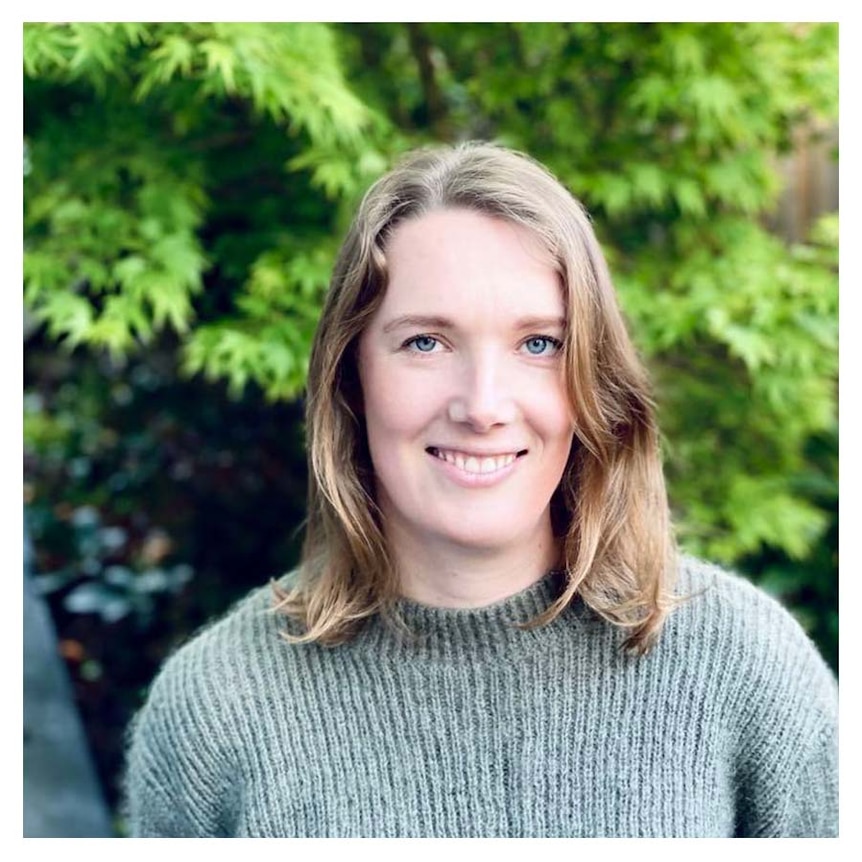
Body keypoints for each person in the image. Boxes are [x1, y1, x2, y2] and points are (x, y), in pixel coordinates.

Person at [123, 142, 838, 838]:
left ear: (597, 381)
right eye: (426, 342)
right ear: (350, 378)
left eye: (540, 344)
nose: (484, 405)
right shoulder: (213, 708)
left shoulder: (745, 667)